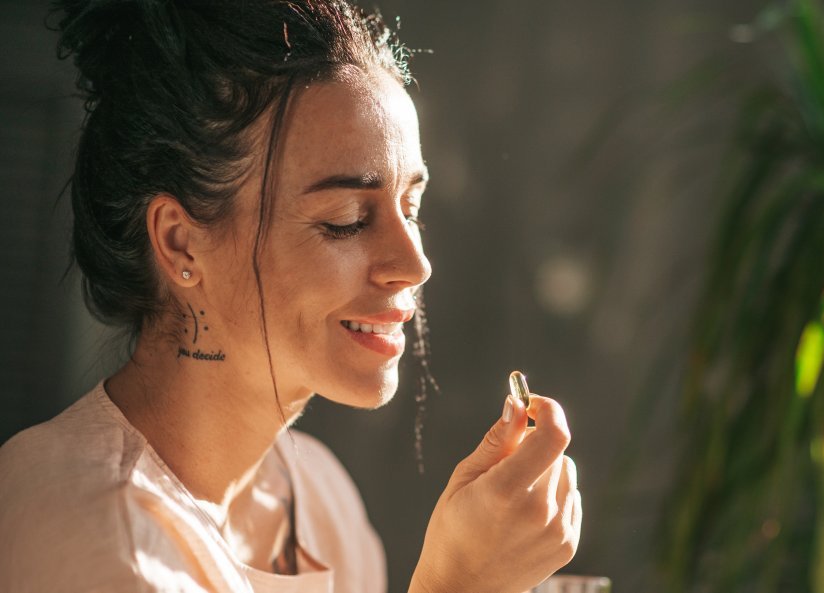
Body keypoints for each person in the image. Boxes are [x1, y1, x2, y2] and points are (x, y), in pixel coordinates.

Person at [0, 1, 582, 591]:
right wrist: (462, 582)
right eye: (347, 219)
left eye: (411, 208)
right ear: (180, 244)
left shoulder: (320, 498)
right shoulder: (93, 535)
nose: (415, 265)